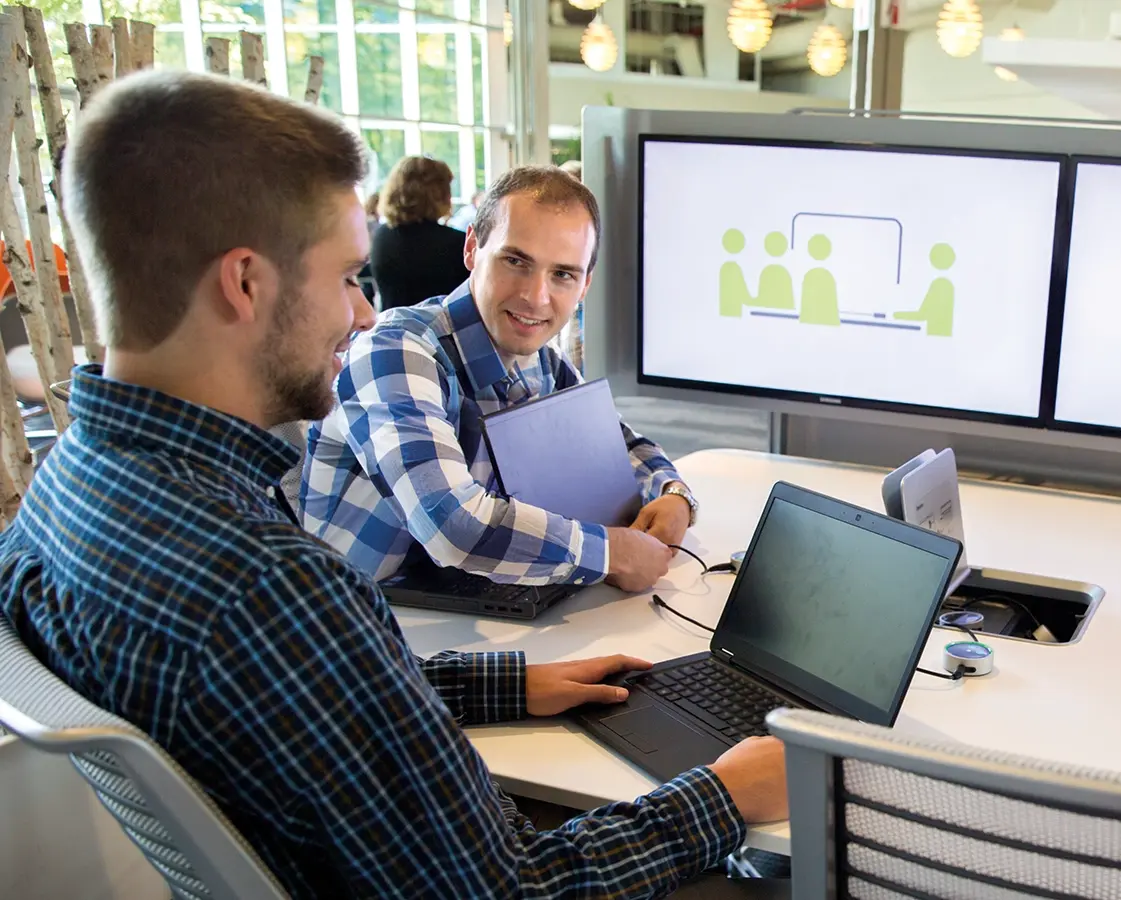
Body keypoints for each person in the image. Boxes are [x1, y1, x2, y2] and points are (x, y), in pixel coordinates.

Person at [0, 71, 788, 899]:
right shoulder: (275, 587)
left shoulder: (69, 488)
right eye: (348, 276)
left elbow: (306, 700)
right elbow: (507, 891)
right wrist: (724, 797)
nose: (364, 313)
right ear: (245, 282)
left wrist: (501, 683)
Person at [301, 166, 696, 592]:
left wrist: (674, 496)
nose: (536, 296)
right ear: (472, 248)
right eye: (516, 261)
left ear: (585, 285)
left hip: (473, 613)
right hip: (356, 622)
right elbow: (454, 526)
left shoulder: (546, 362)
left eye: (563, 274)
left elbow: (621, 450)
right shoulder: (396, 350)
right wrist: (611, 552)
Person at [370, 155, 469, 310]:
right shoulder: (457, 244)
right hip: (436, 332)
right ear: (439, 193)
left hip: (388, 329)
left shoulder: (381, 236)